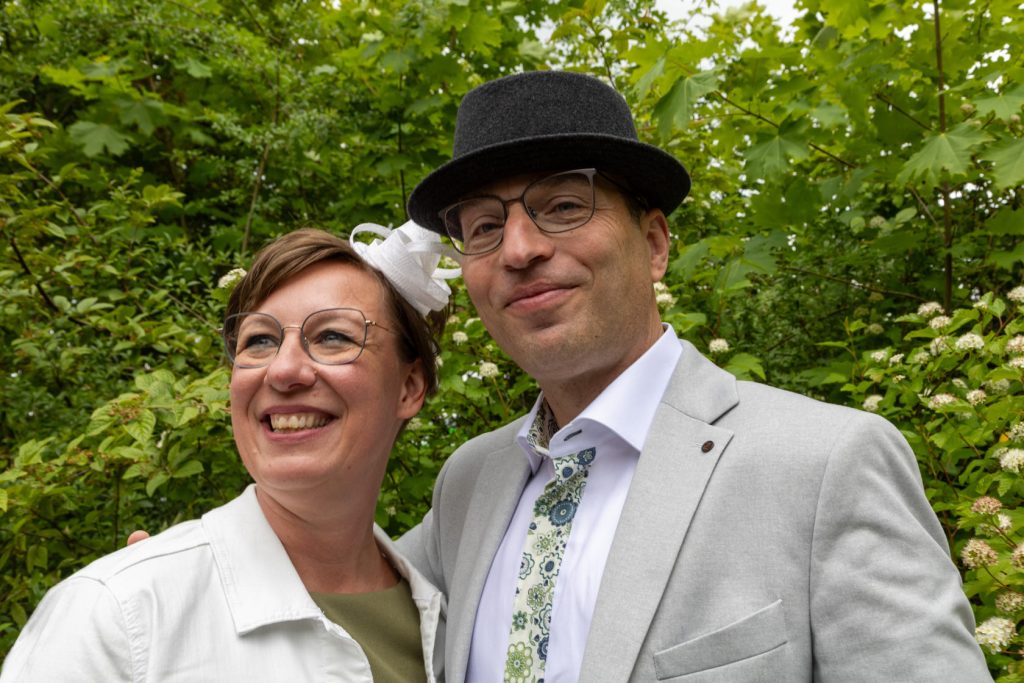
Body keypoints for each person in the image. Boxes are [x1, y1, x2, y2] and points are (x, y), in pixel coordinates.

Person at [399, 70, 992, 681]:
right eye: (484, 227)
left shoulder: (828, 464)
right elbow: (343, 605)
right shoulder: (468, 483)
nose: (518, 250)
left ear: (654, 244)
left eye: (565, 206)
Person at [1, 224, 458, 682]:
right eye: (259, 340)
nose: (283, 370)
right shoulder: (119, 614)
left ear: (409, 386)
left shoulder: (450, 626)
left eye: (333, 337)